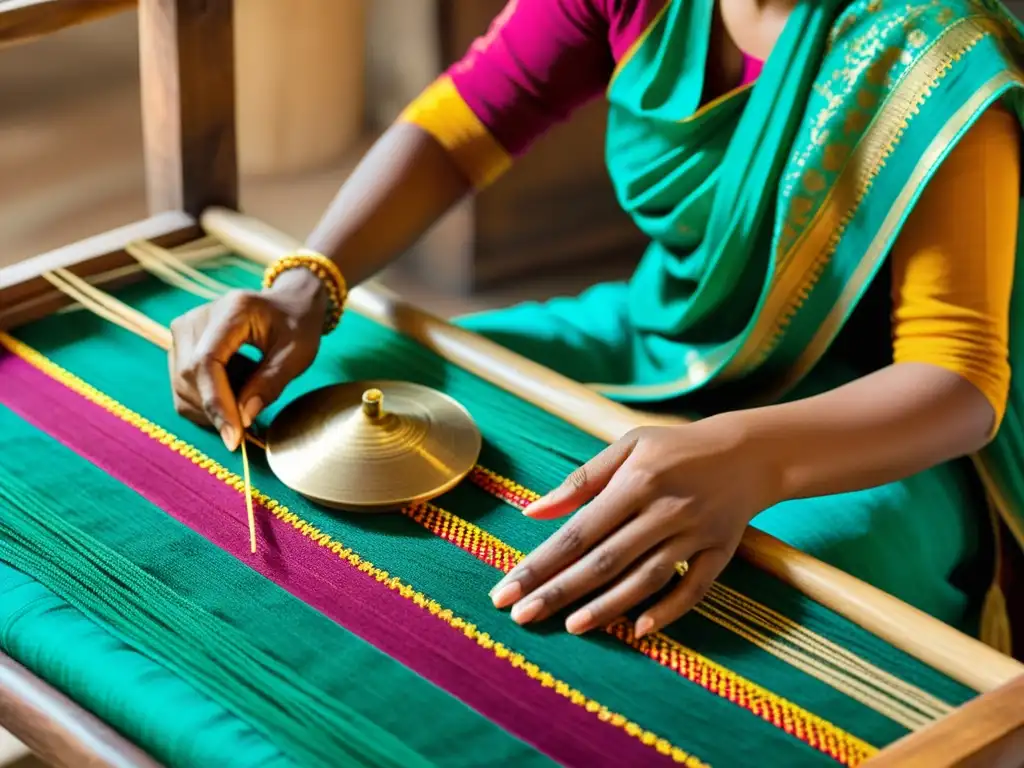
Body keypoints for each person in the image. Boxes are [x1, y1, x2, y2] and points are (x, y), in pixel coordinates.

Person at [168, 0, 1024, 650]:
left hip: (873, 421)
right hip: (671, 333)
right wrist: (308, 285)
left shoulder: (931, 49)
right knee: (346, 395)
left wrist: (748, 458)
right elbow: (466, 121)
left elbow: (955, 378)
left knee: (708, 600)